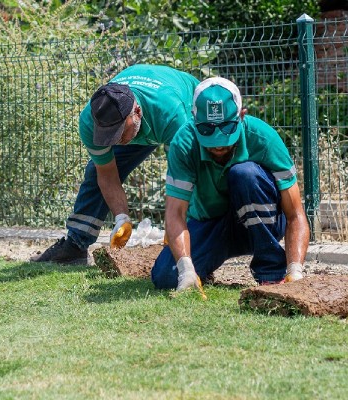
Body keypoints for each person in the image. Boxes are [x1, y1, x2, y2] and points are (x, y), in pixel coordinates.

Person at [151, 77, 311, 294]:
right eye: (208, 131)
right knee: (166, 276)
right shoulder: (183, 143)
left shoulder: (263, 138)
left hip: (262, 221)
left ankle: (271, 273)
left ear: (241, 116)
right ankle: (201, 269)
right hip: (212, 223)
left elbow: (295, 214)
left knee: (244, 174)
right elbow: (175, 213)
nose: (218, 145)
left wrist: (296, 270)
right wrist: (186, 269)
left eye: (226, 129)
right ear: (194, 120)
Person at [35, 64, 199, 263]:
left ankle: (199, 241)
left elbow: (182, 175)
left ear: (136, 112)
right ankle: (75, 245)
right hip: (143, 125)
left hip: (182, 107)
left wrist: (175, 224)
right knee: (95, 171)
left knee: (196, 171)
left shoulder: (171, 114)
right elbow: (107, 174)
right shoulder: (90, 121)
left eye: (119, 131)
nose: (115, 139)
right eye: (108, 134)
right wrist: (121, 217)